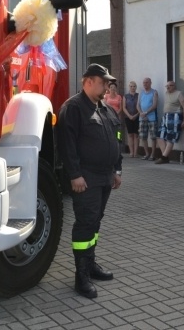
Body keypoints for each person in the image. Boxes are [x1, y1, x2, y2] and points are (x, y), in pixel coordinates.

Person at [56, 63, 123, 299]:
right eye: (104, 82)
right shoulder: (74, 107)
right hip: (85, 177)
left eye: (108, 83)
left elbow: (117, 139)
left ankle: (91, 264)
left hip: (105, 176)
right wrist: (74, 174)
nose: (108, 86)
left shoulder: (106, 109)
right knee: (85, 223)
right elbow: (67, 144)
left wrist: (118, 170)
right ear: (88, 81)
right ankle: (81, 275)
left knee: (95, 222)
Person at [155, 80, 184, 164]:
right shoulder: (166, 93)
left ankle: (164, 157)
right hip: (165, 116)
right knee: (160, 136)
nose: (168, 87)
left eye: (170, 85)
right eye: (167, 86)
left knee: (171, 137)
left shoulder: (179, 94)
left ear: (174, 86)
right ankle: (165, 157)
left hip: (175, 116)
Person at [138, 77, 159, 160]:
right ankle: (147, 153)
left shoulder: (154, 92)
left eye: (147, 82)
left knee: (153, 137)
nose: (145, 84)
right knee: (143, 136)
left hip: (152, 118)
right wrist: (141, 113)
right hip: (142, 118)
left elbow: (154, 105)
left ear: (150, 83)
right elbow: (138, 105)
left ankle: (152, 155)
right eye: (144, 83)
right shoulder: (141, 93)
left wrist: (146, 113)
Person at [122, 81, 140, 158]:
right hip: (128, 117)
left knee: (136, 134)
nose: (133, 88)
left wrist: (136, 115)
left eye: (134, 86)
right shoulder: (126, 96)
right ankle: (131, 152)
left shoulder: (138, 95)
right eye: (131, 86)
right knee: (130, 134)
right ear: (129, 87)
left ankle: (135, 152)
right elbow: (124, 107)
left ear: (136, 87)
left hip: (137, 116)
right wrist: (129, 116)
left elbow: (140, 107)